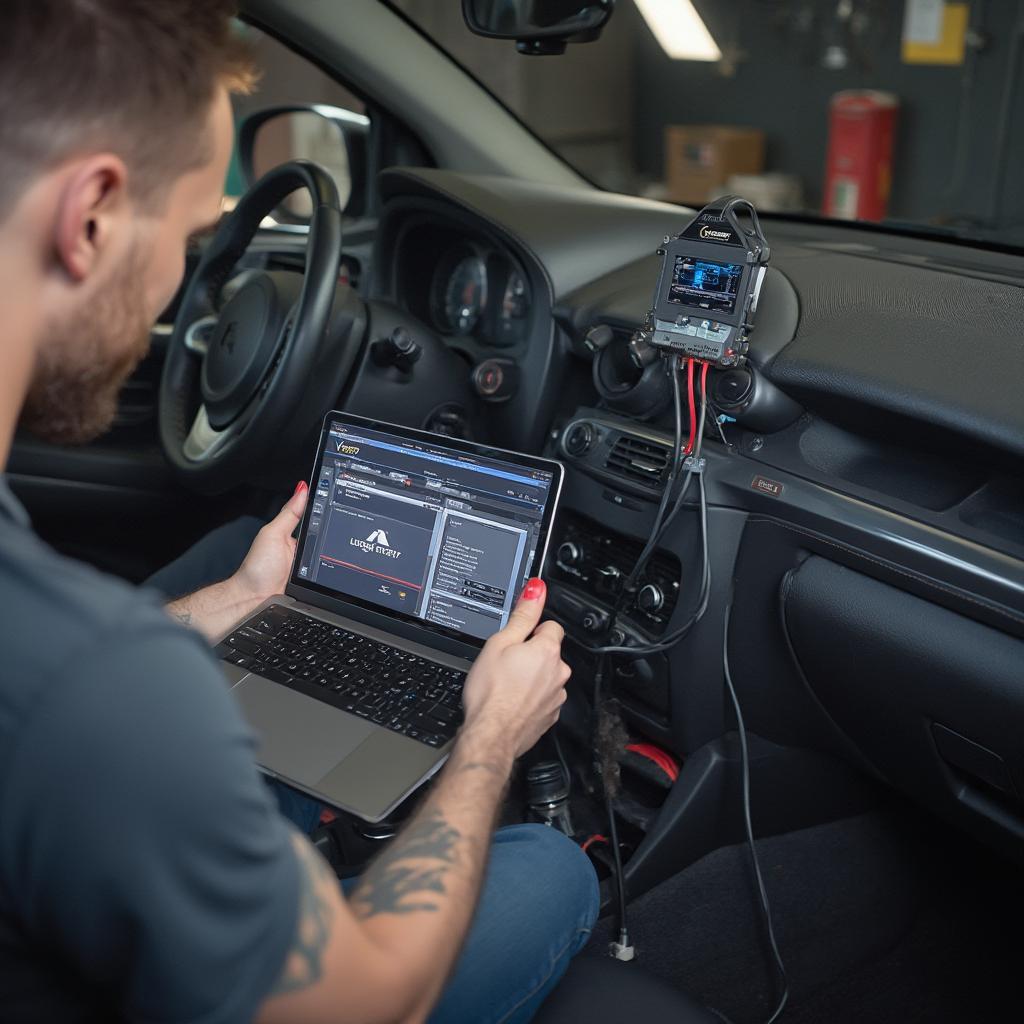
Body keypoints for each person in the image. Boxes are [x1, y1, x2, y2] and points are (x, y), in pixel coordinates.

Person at [0, 2, 599, 1022]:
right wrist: (491, 736)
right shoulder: (104, 692)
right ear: (91, 215)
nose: (186, 291)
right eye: (192, 235)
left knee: (244, 556)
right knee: (552, 867)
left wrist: (236, 601)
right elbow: (370, 1004)